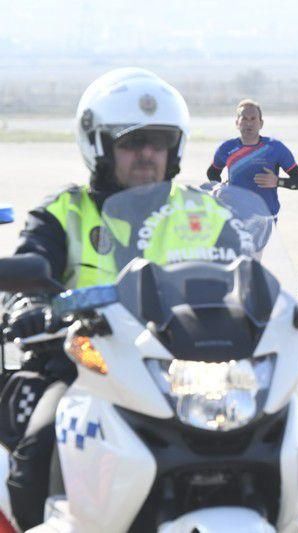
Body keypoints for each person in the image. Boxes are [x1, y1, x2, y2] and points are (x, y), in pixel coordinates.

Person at [0, 68, 197, 529]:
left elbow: (252, 276)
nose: (147, 153)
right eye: (131, 141)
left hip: (188, 373)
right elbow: (26, 274)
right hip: (84, 373)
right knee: (38, 448)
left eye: (159, 140)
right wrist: (30, 308)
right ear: (99, 144)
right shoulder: (62, 213)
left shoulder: (203, 211)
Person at [207, 100, 298, 219]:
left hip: (266, 220)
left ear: (261, 123)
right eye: (244, 118)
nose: (249, 123)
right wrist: (219, 188)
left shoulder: (275, 148)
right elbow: (212, 172)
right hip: (236, 218)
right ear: (237, 123)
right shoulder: (226, 148)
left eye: (253, 118)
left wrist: (277, 181)